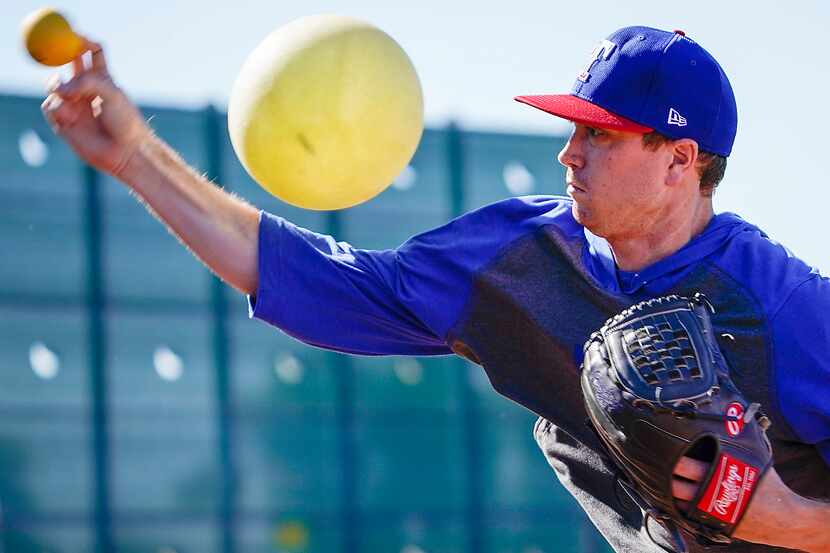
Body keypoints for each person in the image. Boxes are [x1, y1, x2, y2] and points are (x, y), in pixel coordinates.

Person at [42, 25, 829, 552]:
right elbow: (308, 275)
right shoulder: (516, 255)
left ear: (679, 160)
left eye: (600, 133)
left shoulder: (782, 307)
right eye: (571, 127)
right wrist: (133, 154)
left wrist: (786, 518)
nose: (569, 153)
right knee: (574, 422)